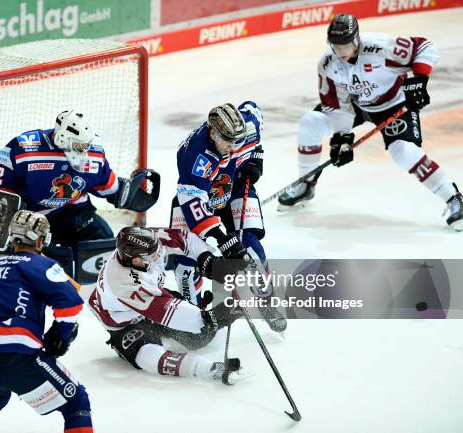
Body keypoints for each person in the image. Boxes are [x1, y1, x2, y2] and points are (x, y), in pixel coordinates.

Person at [277, 14, 463, 231]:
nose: (341, 52)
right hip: (358, 106)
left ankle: (454, 198)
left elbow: (424, 47)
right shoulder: (328, 64)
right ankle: (305, 184)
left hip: (394, 105)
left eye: (345, 45)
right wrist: (341, 139)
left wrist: (419, 80)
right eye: (336, 46)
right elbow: (337, 106)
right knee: (311, 122)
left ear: (356, 39)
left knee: (403, 151)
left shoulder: (380, 47)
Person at [0, 210, 92, 433]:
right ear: (41, 240)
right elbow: (70, 304)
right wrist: (60, 335)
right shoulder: (41, 265)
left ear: (13, 238)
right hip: (15, 358)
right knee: (76, 402)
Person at [170, 101, 286, 332]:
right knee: (184, 263)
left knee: (252, 249)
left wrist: (256, 157)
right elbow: (194, 205)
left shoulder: (247, 126)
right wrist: (222, 239)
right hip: (199, 199)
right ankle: (193, 316)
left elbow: (253, 109)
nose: (233, 148)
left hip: (234, 189)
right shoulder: (194, 156)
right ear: (213, 133)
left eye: (238, 142)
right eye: (227, 142)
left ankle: (265, 299)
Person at [88, 227, 244, 384]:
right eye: (152, 256)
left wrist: (208, 260)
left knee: (200, 339)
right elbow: (182, 317)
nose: (158, 255)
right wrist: (224, 312)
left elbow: (185, 238)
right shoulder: (122, 282)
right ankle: (207, 369)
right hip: (124, 323)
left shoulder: (149, 244)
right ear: (135, 260)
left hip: (153, 296)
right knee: (144, 353)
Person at [0, 109, 149, 247]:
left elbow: (106, 183)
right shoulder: (26, 148)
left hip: (75, 214)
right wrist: (9, 212)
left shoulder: (94, 154)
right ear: (62, 138)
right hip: (33, 219)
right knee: (39, 261)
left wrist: (127, 193)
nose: (84, 150)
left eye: (86, 145)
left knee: (104, 242)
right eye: (79, 145)